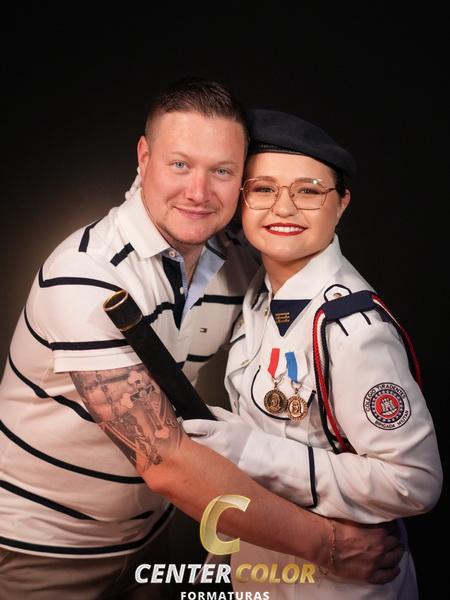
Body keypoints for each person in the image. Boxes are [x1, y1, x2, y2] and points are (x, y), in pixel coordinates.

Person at [0, 80, 404, 600]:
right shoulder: (85, 277)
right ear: (144, 157)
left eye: (222, 171)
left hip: (150, 535)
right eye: (180, 164)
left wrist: (354, 487)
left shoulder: (238, 258)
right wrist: (328, 544)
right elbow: (166, 462)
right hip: (44, 547)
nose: (198, 192)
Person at [183, 109, 443, 598]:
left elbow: (414, 481)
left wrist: (246, 449)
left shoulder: (351, 328)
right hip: (263, 570)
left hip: (339, 583)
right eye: (263, 189)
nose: (283, 208)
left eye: (308, 191)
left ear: (341, 204)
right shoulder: (260, 295)